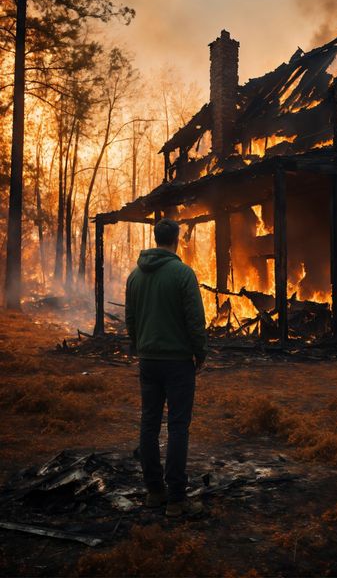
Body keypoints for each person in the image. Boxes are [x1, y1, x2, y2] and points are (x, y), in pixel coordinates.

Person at [125, 218, 207, 517]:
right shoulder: (183, 274)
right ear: (176, 239)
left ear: (155, 237)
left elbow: (131, 320)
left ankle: (154, 492)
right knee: (177, 426)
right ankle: (176, 499)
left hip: (149, 360)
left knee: (149, 423)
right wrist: (201, 353)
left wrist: (140, 346)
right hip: (177, 362)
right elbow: (195, 319)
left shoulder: (135, 276)